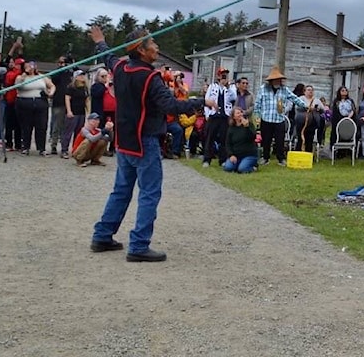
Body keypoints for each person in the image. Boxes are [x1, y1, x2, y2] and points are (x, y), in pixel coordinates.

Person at [88, 26, 209, 262]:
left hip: (124, 142)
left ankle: (102, 235)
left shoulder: (120, 68)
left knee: (121, 191)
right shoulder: (150, 78)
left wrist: (100, 41)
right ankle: (139, 246)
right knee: (149, 193)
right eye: (152, 43)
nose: (157, 47)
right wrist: (201, 101)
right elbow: (171, 106)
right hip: (145, 143)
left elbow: (108, 56)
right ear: (142, 50)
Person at [253, 67, 305, 166]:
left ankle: (281, 159)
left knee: (280, 140)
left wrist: (305, 105)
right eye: (276, 80)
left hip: (279, 119)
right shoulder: (263, 89)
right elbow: (258, 103)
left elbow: (294, 98)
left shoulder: (284, 89)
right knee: (266, 140)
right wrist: (257, 116)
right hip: (266, 118)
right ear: (271, 81)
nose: (278, 81)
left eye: (279, 80)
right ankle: (265, 158)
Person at [14, 61, 56, 156]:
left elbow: (52, 85)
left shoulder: (42, 77)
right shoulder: (20, 77)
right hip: (25, 102)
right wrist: (25, 74)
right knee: (26, 126)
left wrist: (51, 93)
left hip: (40, 102)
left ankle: (41, 148)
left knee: (41, 126)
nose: (30, 68)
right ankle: (25, 147)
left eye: (32, 66)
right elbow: (17, 85)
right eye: (28, 66)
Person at [202, 70, 236, 167]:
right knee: (210, 138)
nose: (224, 78)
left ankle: (223, 159)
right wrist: (207, 114)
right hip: (214, 115)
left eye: (225, 76)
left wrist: (227, 86)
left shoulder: (231, 87)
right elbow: (206, 100)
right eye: (222, 76)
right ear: (218, 76)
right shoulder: (212, 87)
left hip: (225, 116)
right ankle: (207, 159)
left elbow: (234, 98)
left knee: (224, 139)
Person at [62, 71, 91, 159]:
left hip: (81, 112)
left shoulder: (85, 88)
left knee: (78, 132)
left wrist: (88, 112)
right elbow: (67, 99)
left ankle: (75, 149)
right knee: (68, 132)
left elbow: (87, 100)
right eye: (80, 75)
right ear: (76, 77)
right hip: (73, 112)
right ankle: (64, 150)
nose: (82, 77)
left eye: (83, 75)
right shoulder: (71, 87)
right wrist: (69, 111)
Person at [221, 107, 260, 173]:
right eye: (238, 113)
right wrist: (231, 155)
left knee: (242, 169)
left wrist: (246, 127)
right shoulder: (231, 128)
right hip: (236, 155)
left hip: (249, 154)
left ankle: (253, 167)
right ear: (233, 116)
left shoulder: (249, 125)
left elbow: (253, 137)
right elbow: (228, 143)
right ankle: (238, 165)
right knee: (228, 168)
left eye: (241, 112)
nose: (240, 114)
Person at [49, 56, 73, 155]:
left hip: (69, 103)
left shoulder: (69, 73)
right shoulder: (56, 73)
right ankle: (53, 145)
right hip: (58, 102)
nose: (62, 64)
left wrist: (70, 64)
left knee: (66, 126)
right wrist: (61, 69)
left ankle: (64, 147)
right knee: (56, 125)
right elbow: (54, 79)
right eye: (60, 62)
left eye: (64, 62)